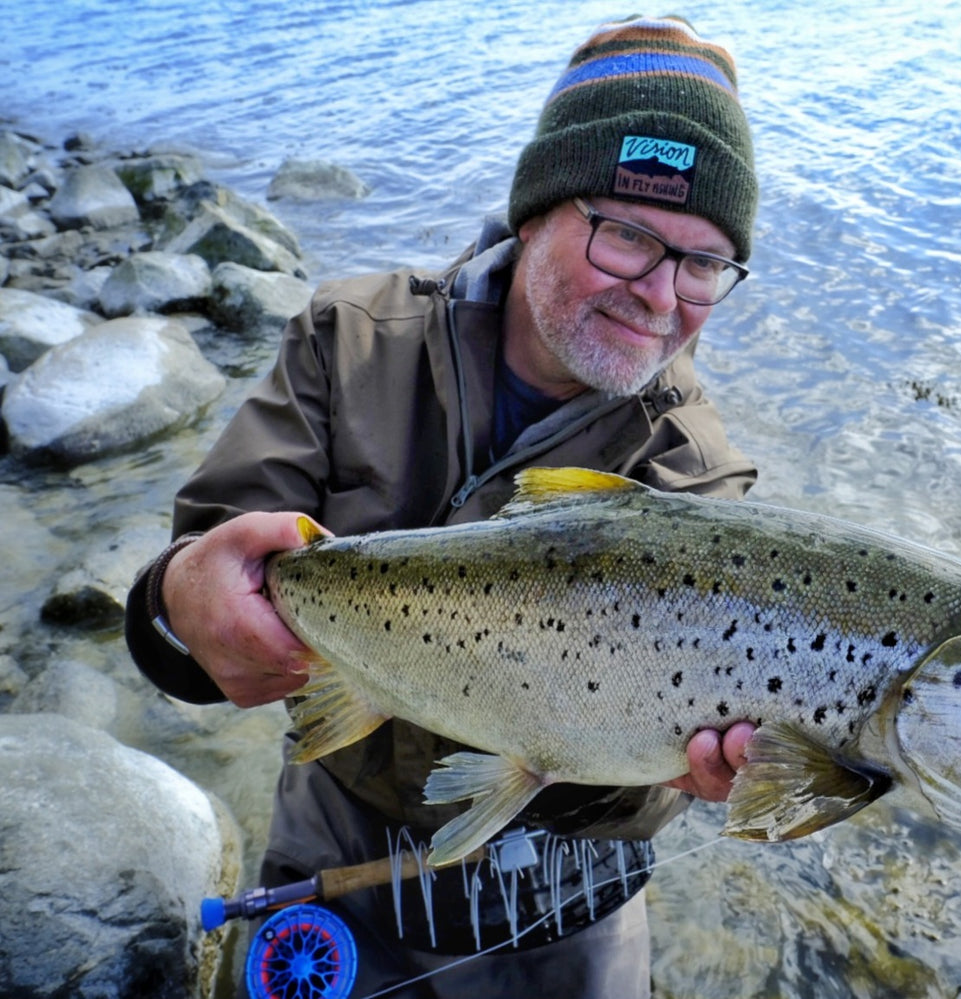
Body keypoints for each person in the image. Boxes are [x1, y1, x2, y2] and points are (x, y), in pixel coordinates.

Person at [125, 15, 760, 996]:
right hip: (335, 828)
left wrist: (672, 775)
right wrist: (181, 599)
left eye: (703, 262)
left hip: (564, 894)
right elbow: (194, 595)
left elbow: (642, 805)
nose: (659, 295)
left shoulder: (696, 473)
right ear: (538, 210)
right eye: (629, 235)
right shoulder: (351, 338)